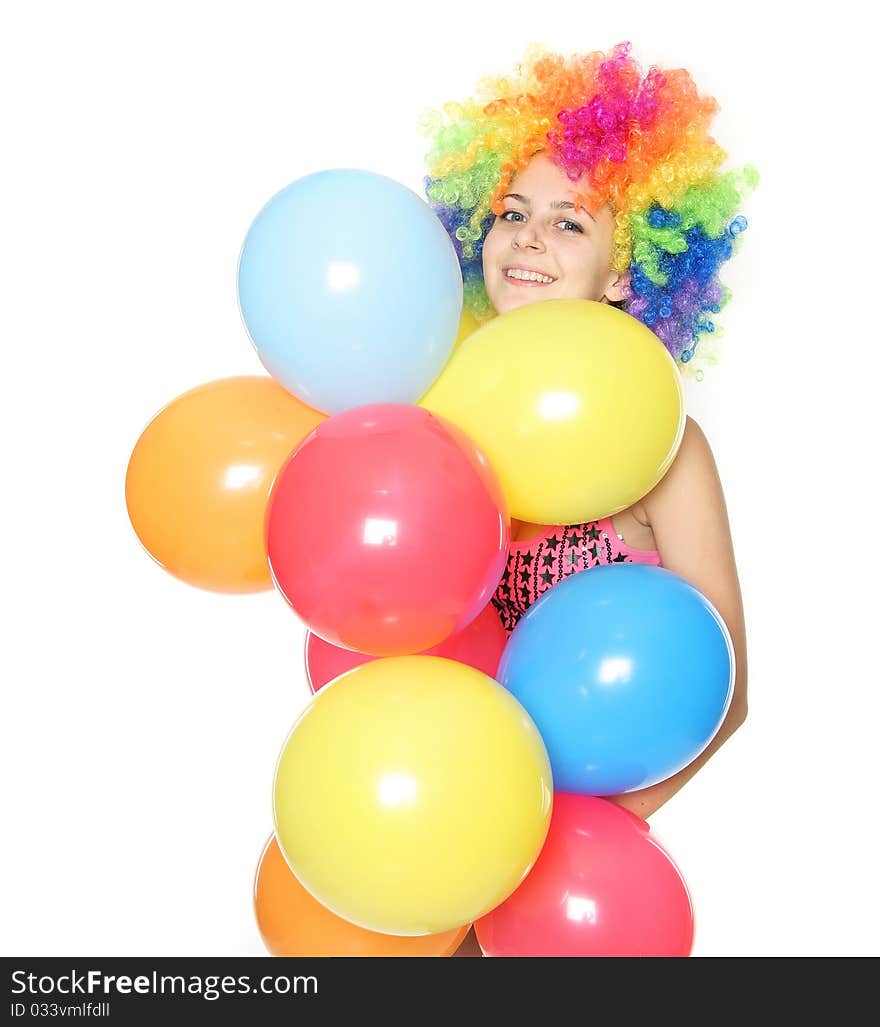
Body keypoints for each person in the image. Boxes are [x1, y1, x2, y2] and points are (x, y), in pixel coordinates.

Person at [419, 41, 757, 956]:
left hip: (569, 895)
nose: (530, 237)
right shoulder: (440, 431)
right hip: (431, 855)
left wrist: (564, 847)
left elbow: (727, 691)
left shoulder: (666, 452)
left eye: (571, 224)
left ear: (624, 273)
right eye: (513, 212)